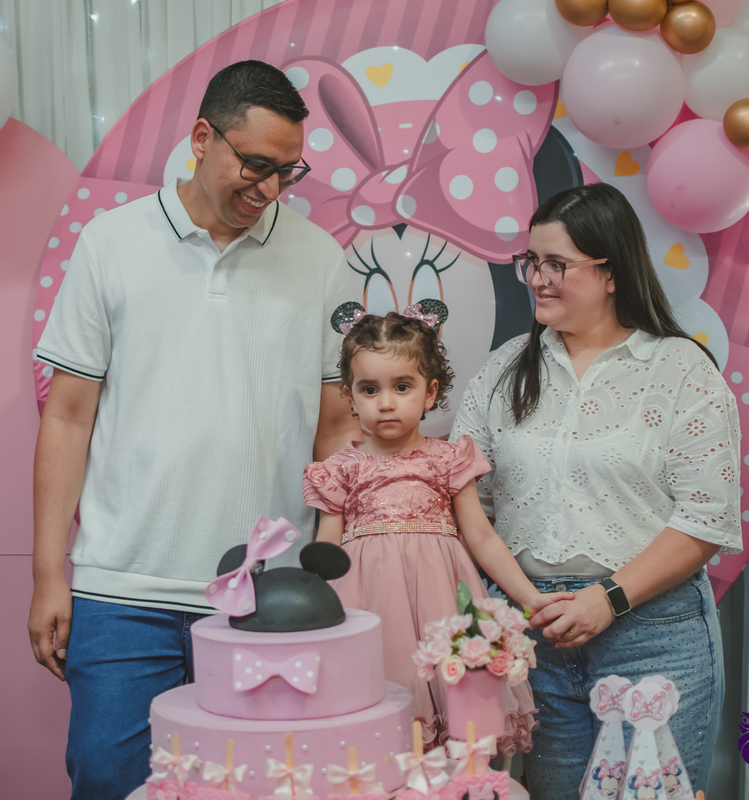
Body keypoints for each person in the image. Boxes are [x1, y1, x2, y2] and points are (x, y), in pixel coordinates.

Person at [28, 60, 359, 800]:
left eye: (288, 172)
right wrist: (50, 575)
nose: (269, 189)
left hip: (271, 597)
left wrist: (330, 560)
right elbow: (69, 417)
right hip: (123, 590)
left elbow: (337, 428)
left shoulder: (319, 258)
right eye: (256, 164)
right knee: (108, 779)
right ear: (202, 138)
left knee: (266, 789)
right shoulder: (111, 243)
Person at [450, 183, 742, 798]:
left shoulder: (679, 369)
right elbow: (471, 503)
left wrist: (608, 598)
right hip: (536, 631)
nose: (537, 279)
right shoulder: (504, 369)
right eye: (531, 261)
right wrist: (524, 602)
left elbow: (705, 519)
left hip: (653, 633)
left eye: (557, 264)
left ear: (611, 272)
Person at [302, 304, 570, 750]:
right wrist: (306, 618)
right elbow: (325, 553)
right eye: (369, 389)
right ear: (349, 397)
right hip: (367, 605)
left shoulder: (449, 458)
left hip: (441, 604)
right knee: (376, 722)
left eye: (401, 386)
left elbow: (481, 537)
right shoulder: (340, 468)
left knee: (455, 732)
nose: (385, 402)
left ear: (430, 392)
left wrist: (532, 598)